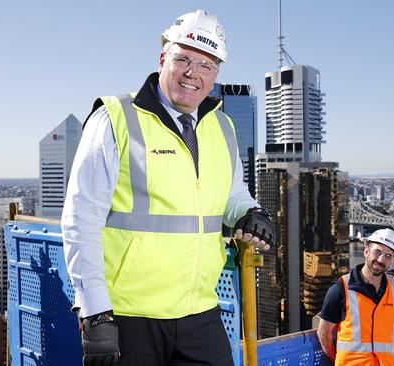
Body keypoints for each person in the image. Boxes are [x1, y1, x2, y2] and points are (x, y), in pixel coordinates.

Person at [61, 10, 275, 366]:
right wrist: (95, 311)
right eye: (184, 59)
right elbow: (80, 220)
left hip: (200, 310)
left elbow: (232, 194)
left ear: (216, 74)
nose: (193, 74)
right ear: (163, 58)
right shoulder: (115, 119)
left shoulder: (222, 126)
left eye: (206, 65)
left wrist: (251, 212)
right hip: (130, 314)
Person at [317, 228, 394, 365]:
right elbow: (324, 332)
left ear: (392, 261)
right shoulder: (341, 288)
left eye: (388, 256)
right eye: (377, 252)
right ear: (366, 251)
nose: (381, 259)